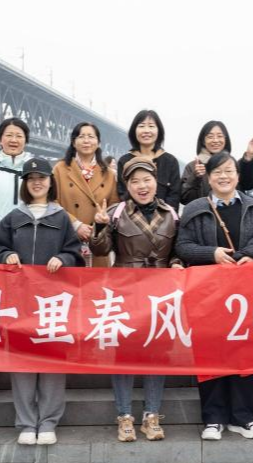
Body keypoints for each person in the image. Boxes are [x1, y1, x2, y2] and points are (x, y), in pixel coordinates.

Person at [175, 151, 253, 441]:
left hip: (244, 296)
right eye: (217, 172)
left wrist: (252, 253)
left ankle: (242, 418)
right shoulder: (196, 208)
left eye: (229, 171)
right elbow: (182, 247)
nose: (223, 177)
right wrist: (210, 253)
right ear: (209, 178)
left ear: (238, 176)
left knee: (244, 355)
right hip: (206, 295)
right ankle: (212, 419)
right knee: (209, 355)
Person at [0, 157, 84, 446]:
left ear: (50, 183)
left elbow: (76, 253)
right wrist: (6, 255)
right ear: (25, 184)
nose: (37, 182)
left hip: (54, 303)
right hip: (21, 302)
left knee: (52, 362)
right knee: (23, 364)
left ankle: (49, 421)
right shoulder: (14, 217)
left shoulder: (61, 218)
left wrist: (63, 258)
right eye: (31, 178)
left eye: (42, 177)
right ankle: (27, 423)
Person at [90, 157, 181, 442]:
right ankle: (125, 416)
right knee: (124, 353)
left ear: (156, 182)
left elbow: (177, 250)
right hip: (126, 289)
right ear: (127, 186)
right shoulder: (116, 213)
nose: (142, 186)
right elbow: (100, 249)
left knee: (157, 353)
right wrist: (99, 227)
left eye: (147, 180)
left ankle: (151, 415)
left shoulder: (171, 213)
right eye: (135, 181)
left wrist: (176, 263)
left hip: (160, 291)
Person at [52, 122, 119, 266]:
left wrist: (101, 225)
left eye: (91, 136)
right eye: (81, 136)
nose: (86, 140)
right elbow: (52, 202)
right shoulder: (60, 169)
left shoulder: (109, 174)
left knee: (96, 280)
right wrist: (76, 225)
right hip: (67, 239)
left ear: (98, 142)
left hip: (97, 242)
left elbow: (114, 207)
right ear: (73, 142)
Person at [116, 110, 181, 209]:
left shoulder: (170, 161)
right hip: (132, 215)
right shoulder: (124, 161)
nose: (146, 130)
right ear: (134, 131)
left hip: (164, 215)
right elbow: (122, 194)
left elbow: (174, 196)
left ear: (159, 131)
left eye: (151, 126)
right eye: (141, 126)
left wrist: (163, 214)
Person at [180, 120, 232, 205]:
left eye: (219, 136)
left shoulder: (232, 166)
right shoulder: (193, 167)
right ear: (203, 141)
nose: (215, 140)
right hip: (201, 212)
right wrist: (195, 178)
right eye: (210, 137)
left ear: (225, 140)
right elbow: (184, 199)